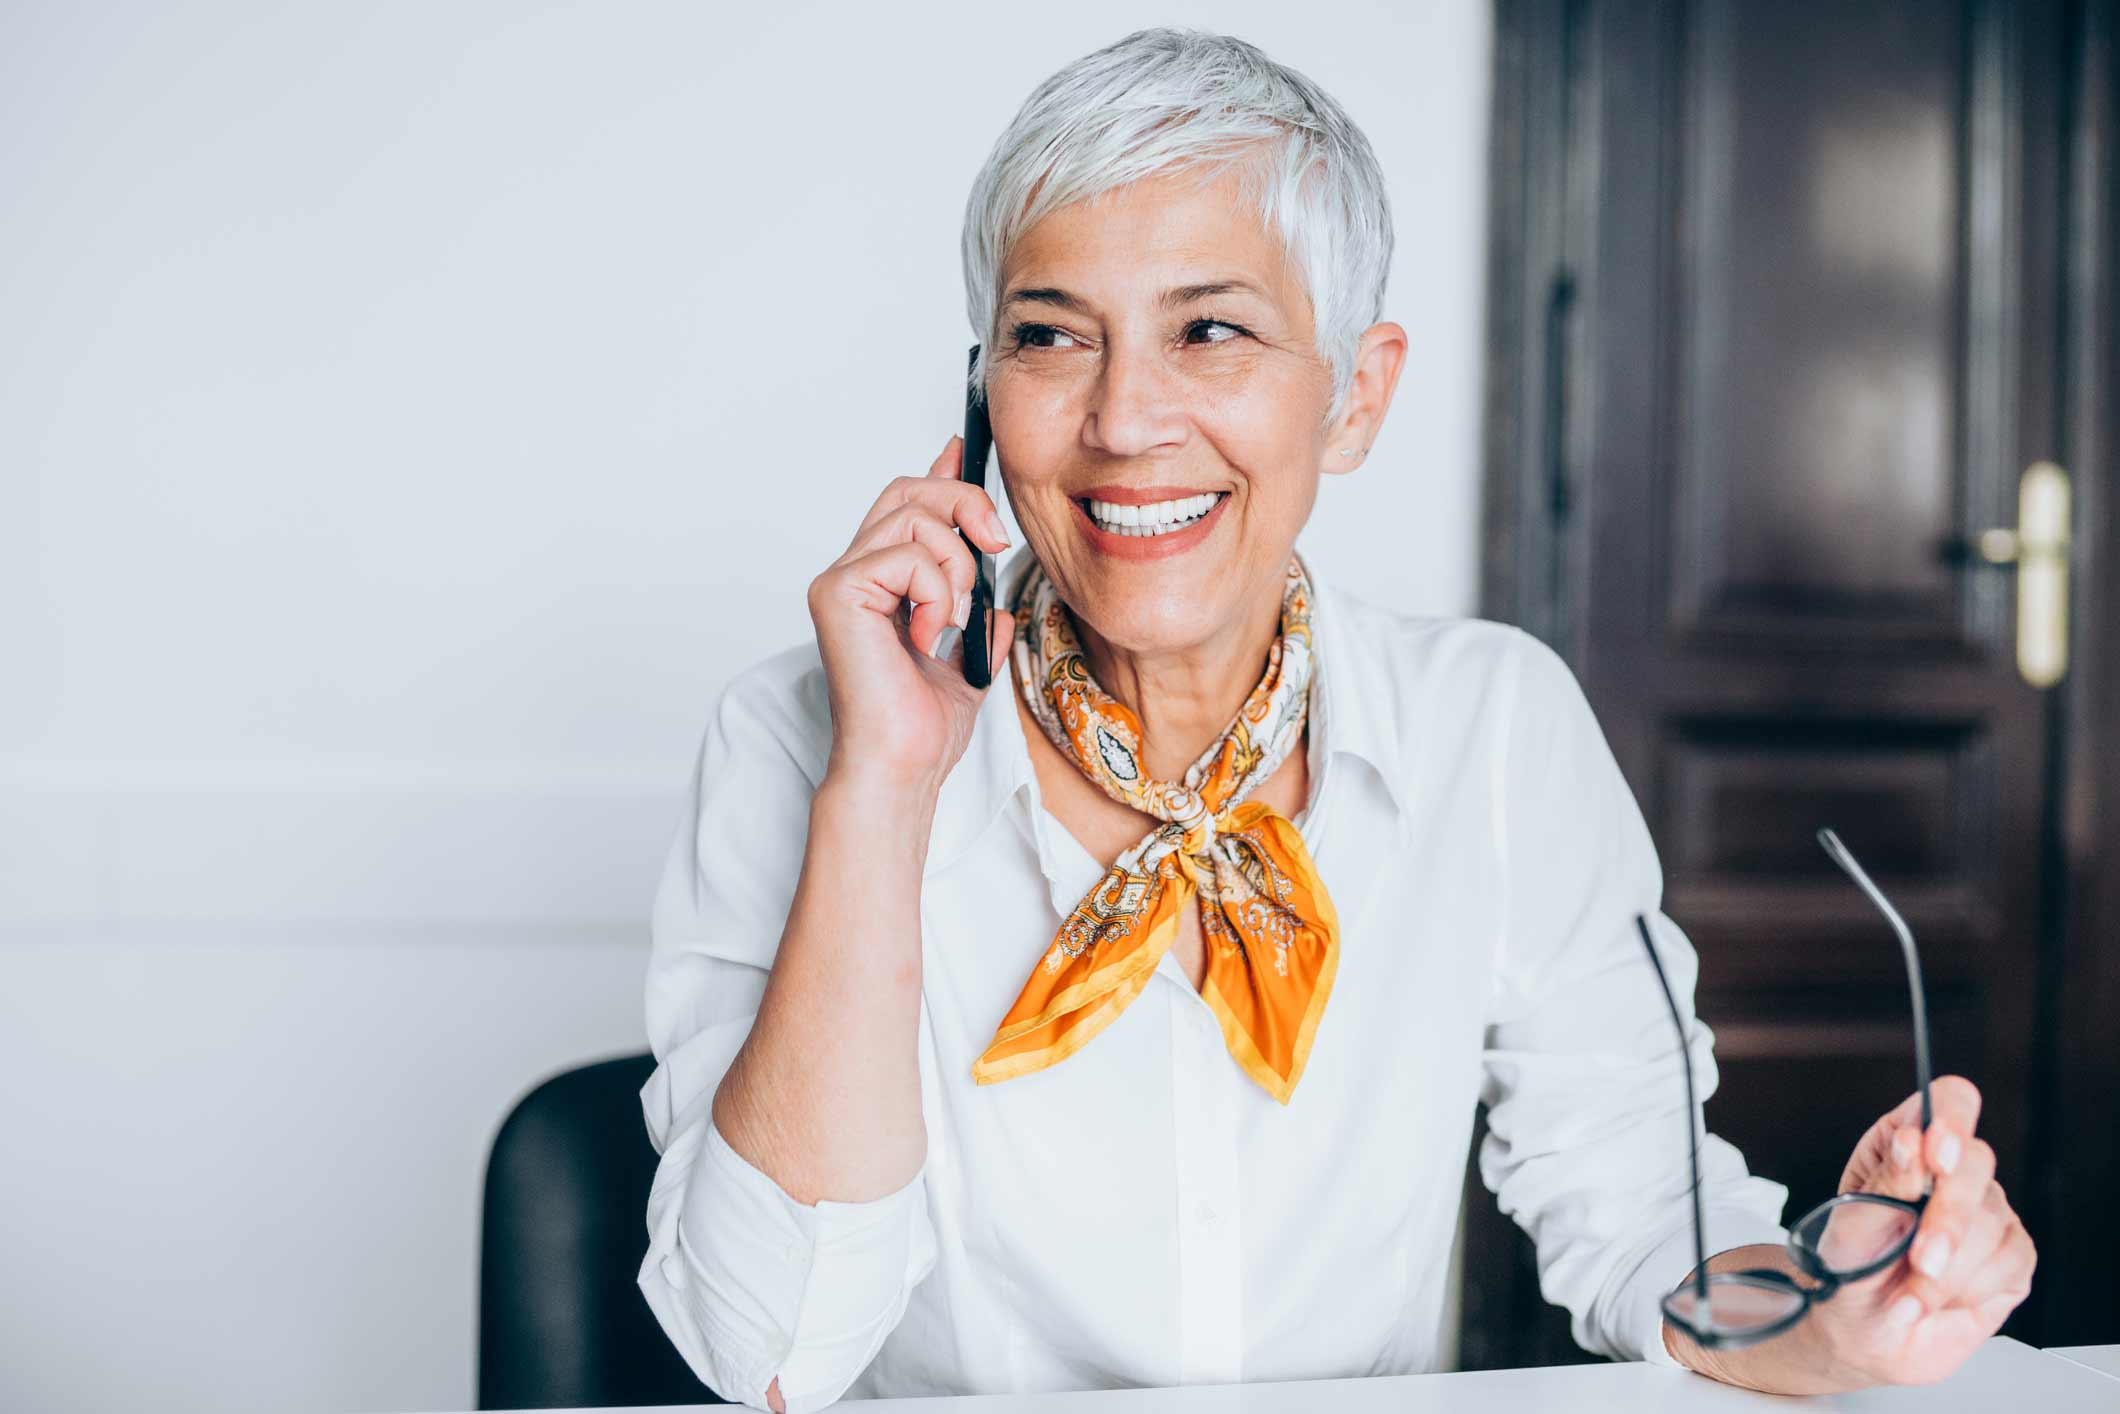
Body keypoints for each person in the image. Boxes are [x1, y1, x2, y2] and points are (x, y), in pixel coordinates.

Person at [633, 27, 2036, 1414]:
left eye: (1211, 329)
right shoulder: (798, 737)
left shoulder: (1491, 727)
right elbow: (774, 1354)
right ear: (982, 400)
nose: (1126, 418)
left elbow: (1638, 1211)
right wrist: (880, 788)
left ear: (1355, 395)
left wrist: (1833, 1307)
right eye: (1052, 336)